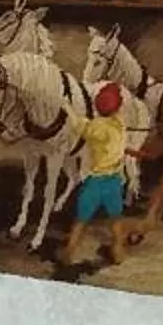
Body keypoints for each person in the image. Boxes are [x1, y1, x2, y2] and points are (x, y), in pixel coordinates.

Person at [61, 86, 141, 266]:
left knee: (81, 221)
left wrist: (66, 105)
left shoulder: (97, 126)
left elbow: (78, 126)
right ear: (117, 108)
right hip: (114, 181)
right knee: (116, 220)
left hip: (96, 182)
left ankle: (68, 254)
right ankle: (118, 252)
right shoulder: (120, 125)